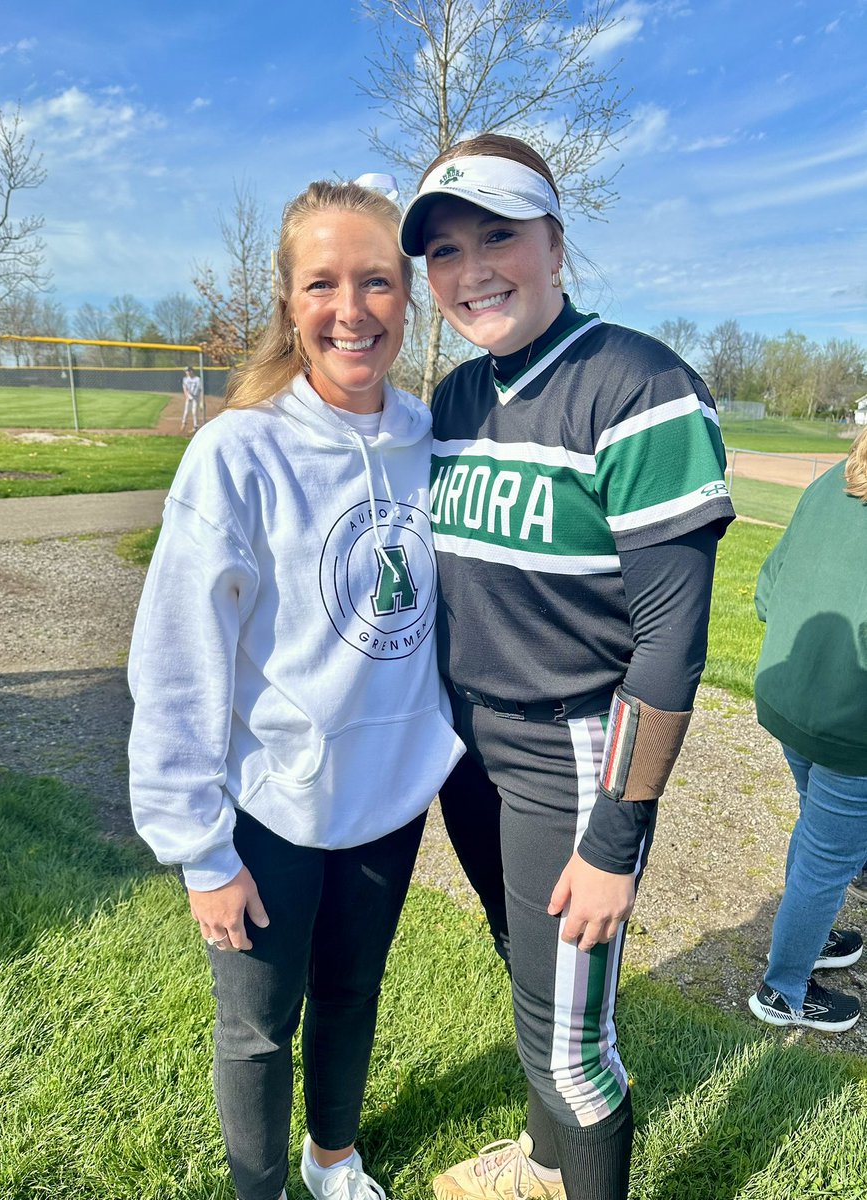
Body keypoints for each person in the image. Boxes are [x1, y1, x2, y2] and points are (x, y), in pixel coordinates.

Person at [398, 134, 735, 1200]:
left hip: (567, 750)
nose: (472, 269)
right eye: (445, 249)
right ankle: (545, 1168)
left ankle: (569, 1160)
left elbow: (672, 638)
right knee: (535, 982)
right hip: (469, 750)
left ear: (555, 238)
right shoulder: (453, 401)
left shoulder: (640, 386)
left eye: (499, 234)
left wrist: (616, 833)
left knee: (571, 1054)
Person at [128, 179, 464, 1200]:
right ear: (287, 300)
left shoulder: (430, 444)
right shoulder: (239, 451)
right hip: (271, 801)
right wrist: (200, 847)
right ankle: (259, 1188)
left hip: (389, 795)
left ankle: (332, 1160)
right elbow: (178, 656)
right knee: (259, 1029)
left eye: (375, 282)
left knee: (354, 991)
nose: (350, 310)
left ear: (408, 299)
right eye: (323, 283)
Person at [748, 429, 867, 1032]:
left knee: (819, 832)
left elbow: (767, 590)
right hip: (853, 727)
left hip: (790, 696)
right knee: (828, 855)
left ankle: (807, 938)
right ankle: (783, 991)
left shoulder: (831, 481)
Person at [181, 365, 204, 432]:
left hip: (196, 398)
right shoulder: (185, 379)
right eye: (186, 371)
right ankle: (184, 423)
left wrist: (201, 401)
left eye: (188, 371)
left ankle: (195, 426)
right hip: (189, 398)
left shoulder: (197, 379)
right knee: (186, 411)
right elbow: (185, 389)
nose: (187, 372)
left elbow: (201, 389)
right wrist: (187, 396)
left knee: (194, 412)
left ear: (191, 371)